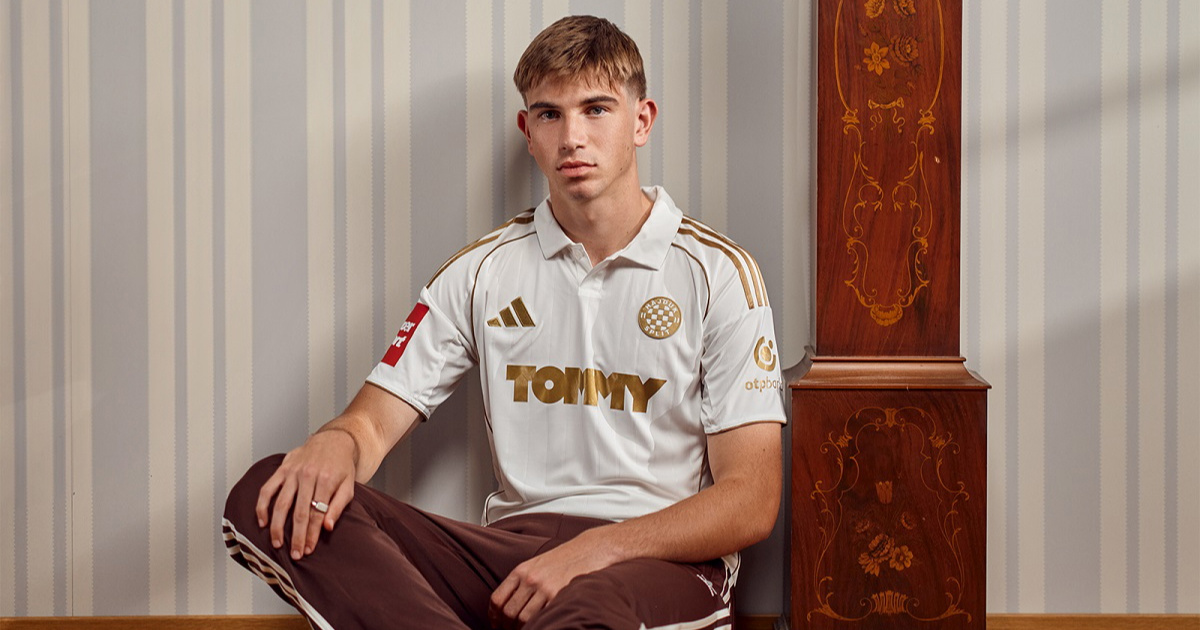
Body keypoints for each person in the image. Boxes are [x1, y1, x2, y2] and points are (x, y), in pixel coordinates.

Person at [222, 15, 785, 630]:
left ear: (641, 121)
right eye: (550, 115)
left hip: (658, 562)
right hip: (514, 560)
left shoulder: (717, 272)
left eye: (596, 109)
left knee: (587, 609)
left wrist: (595, 550)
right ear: (528, 132)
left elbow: (751, 499)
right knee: (270, 493)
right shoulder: (482, 270)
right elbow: (371, 425)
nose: (572, 137)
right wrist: (339, 441)